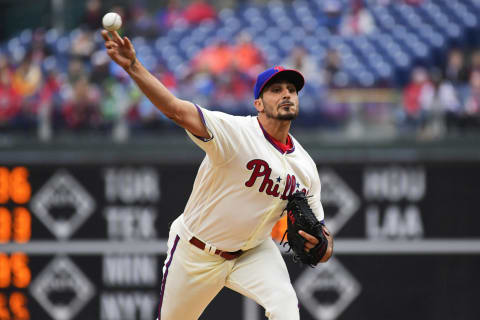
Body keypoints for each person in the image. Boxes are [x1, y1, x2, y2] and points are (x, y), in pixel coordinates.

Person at [102, 29, 333, 320]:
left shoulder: (305, 166)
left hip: (253, 252)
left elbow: (323, 239)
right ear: (258, 104)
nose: (286, 93)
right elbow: (175, 110)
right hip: (196, 251)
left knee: (286, 307)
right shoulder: (235, 132)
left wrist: (323, 245)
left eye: (291, 89)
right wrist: (134, 67)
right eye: (276, 90)